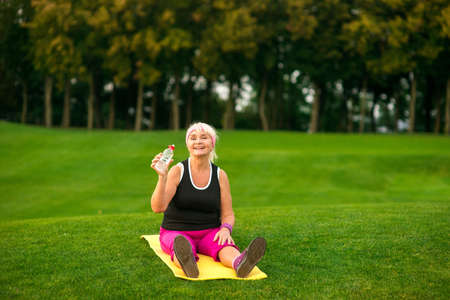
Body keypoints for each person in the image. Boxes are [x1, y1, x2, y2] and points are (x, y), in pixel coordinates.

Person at [150, 122, 266, 278]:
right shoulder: (178, 171)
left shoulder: (220, 175)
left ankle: (240, 263)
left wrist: (225, 229)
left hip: (209, 232)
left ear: (212, 144)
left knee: (224, 245)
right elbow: (158, 207)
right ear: (188, 144)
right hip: (176, 231)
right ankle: (188, 262)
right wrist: (162, 177)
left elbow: (228, 214)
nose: (198, 141)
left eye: (204, 137)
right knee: (181, 245)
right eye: (193, 138)